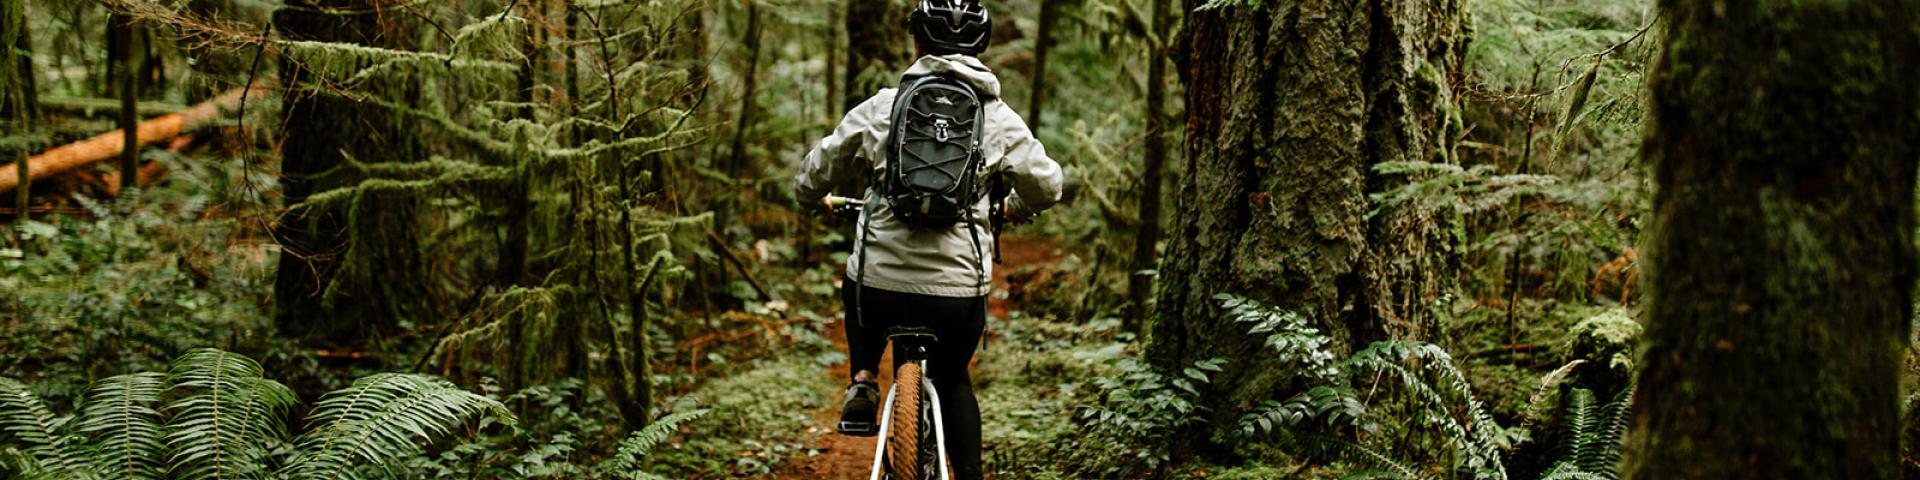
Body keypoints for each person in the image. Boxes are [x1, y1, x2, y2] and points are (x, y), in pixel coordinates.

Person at [793, 1, 1064, 477]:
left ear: (917, 43)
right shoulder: (997, 117)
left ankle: (862, 379)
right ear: (981, 46)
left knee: (860, 285)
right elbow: (1048, 185)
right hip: (957, 295)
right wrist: (1011, 209)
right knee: (955, 381)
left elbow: (818, 166)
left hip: (877, 289)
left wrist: (813, 198)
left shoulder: (883, 105)